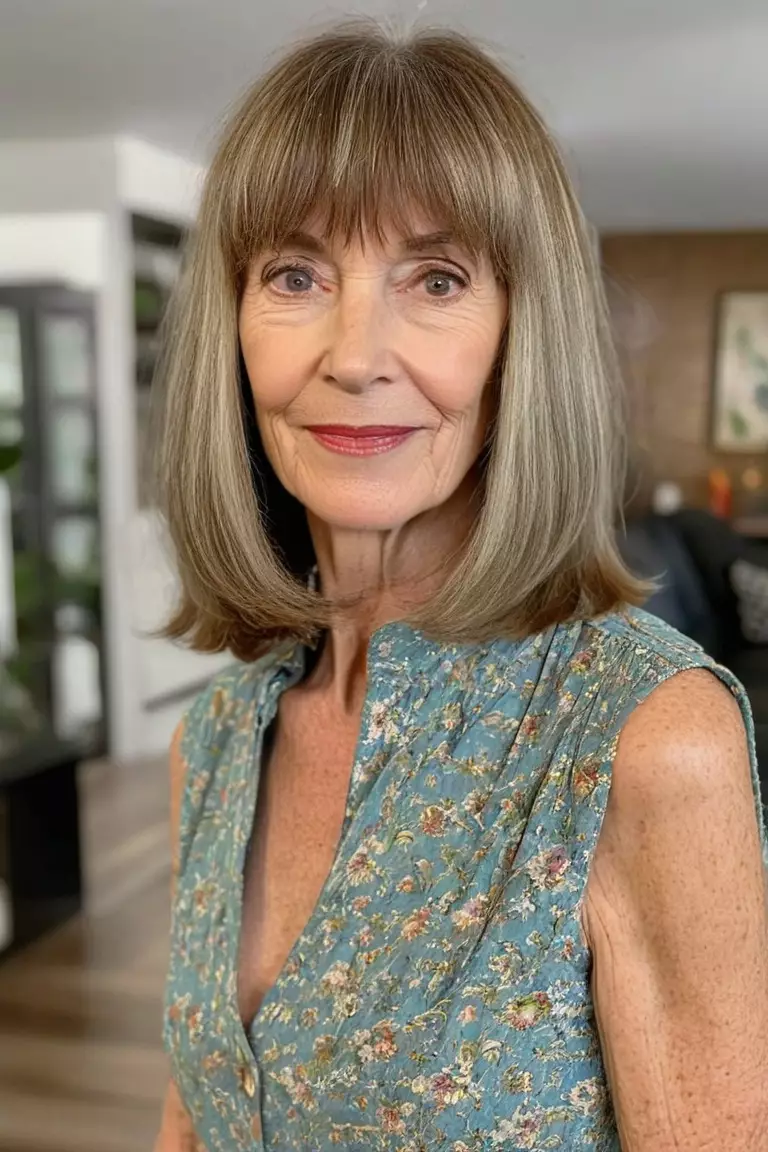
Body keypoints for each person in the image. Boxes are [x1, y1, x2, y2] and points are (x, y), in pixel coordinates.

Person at [154, 23, 768, 1152]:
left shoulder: (643, 738)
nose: (355, 354)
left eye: (436, 279)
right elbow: (195, 1113)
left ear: (521, 336)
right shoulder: (218, 738)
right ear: (231, 330)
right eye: (295, 274)